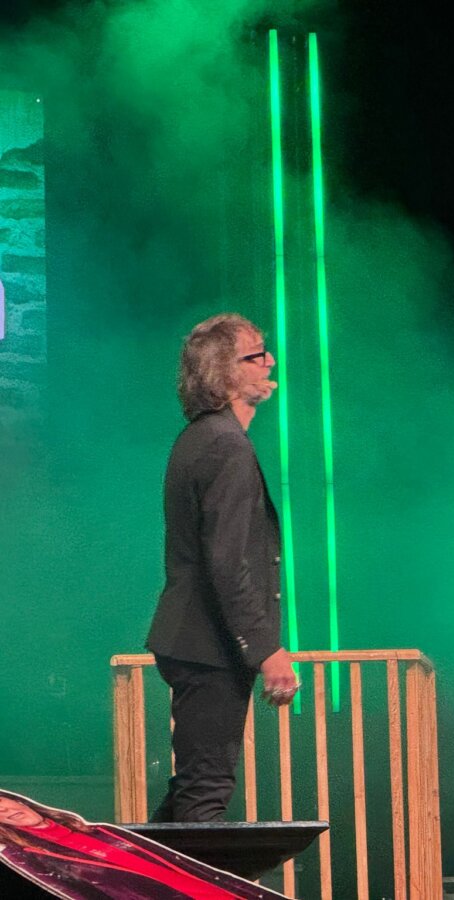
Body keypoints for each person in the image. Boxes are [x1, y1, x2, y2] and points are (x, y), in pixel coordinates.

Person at [146, 313, 299, 823]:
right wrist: (266, 650)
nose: (270, 361)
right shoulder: (225, 444)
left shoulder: (202, 438)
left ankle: (135, 868)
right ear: (225, 372)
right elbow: (227, 562)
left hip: (195, 641)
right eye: (257, 354)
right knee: (204, 793)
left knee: (191, 793)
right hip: (207, 646)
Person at [0, 790, 285, 898]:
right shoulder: (24, 857)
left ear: (19, 800)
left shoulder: (99, 831)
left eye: (3, 802)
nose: (4, 810)